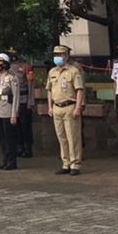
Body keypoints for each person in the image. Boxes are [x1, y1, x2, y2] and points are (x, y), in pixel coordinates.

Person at [47, 44, 85, 175]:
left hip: (70, 106)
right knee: (61, 137)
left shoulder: (74, 71)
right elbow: (49, 90)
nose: (57, 57)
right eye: (55, 55)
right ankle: (65, 163)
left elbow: (79, 90)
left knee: (72, 137)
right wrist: (50, 106)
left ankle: (75, 164)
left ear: (66, 56)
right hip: (57, 107)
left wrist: (78, 107)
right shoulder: (52, 72)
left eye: (60, 55)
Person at [0, 53, 20, 170]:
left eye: (0, 62)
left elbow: (16, 96)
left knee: (9, 138)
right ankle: (5, 158)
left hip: (7, 110)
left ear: (6, 63)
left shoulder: (12, 77)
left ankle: (12, 161)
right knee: (1, 138)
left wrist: (14, 114)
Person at [9, 48, 34, 157]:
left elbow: (30, 85)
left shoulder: (26, 67)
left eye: (15, 53)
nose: (13, 55)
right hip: (13, 101)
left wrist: (30, 102)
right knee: (16, 126)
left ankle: (27, 148)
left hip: (24, 99)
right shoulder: (8, 68)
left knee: (25, 126)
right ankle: (19, 147)